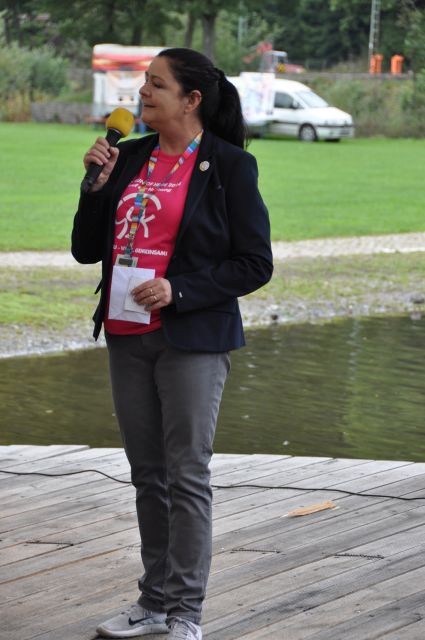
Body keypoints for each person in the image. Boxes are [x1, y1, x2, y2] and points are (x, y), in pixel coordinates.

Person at [71, 47, 273, 640]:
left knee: (186, 476)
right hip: (125, 333)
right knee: (148, 475)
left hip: (192, 339)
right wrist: (93, 187)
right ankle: (153, 602)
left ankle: (185, 612)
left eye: (156, 85)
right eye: (144, 83)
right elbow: (85, 249)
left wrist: (178, 290)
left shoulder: (229, 165)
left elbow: (255, 263)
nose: (143, 94)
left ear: (192, 100)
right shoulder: (128, 156)